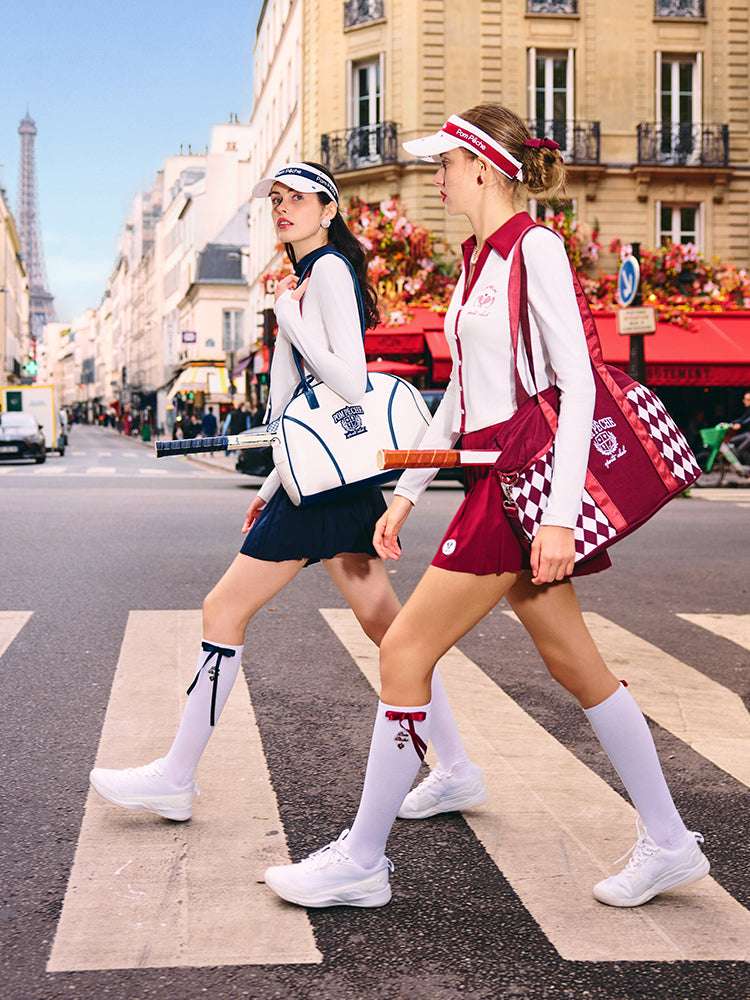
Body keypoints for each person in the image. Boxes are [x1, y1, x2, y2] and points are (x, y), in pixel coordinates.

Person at [264, 105, 710, 911]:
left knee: (403, 652)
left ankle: (363, 859)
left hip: (519, 489)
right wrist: (404, 493)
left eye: (443, 165)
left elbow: (578, 385)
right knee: (578, 667)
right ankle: (673, 844)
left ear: (479, 166)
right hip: (490, 481)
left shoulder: (535, 249)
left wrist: (561, 516)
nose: (435, 179)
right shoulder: (474, 262)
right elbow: (462, 397)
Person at [88, 161, 465, 830]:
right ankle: (459, 768)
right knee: (392, 633)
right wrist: (270, 482)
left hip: (325, 489)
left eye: (298, 199)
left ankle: (176, 776)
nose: (283, 208)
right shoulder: (308, 276)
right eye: (277, 200)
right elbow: (291, 409)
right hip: (323, 482)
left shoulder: (326, 275)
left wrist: (289, 315)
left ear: (329, 209)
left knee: (222, 608)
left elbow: (348, 381)